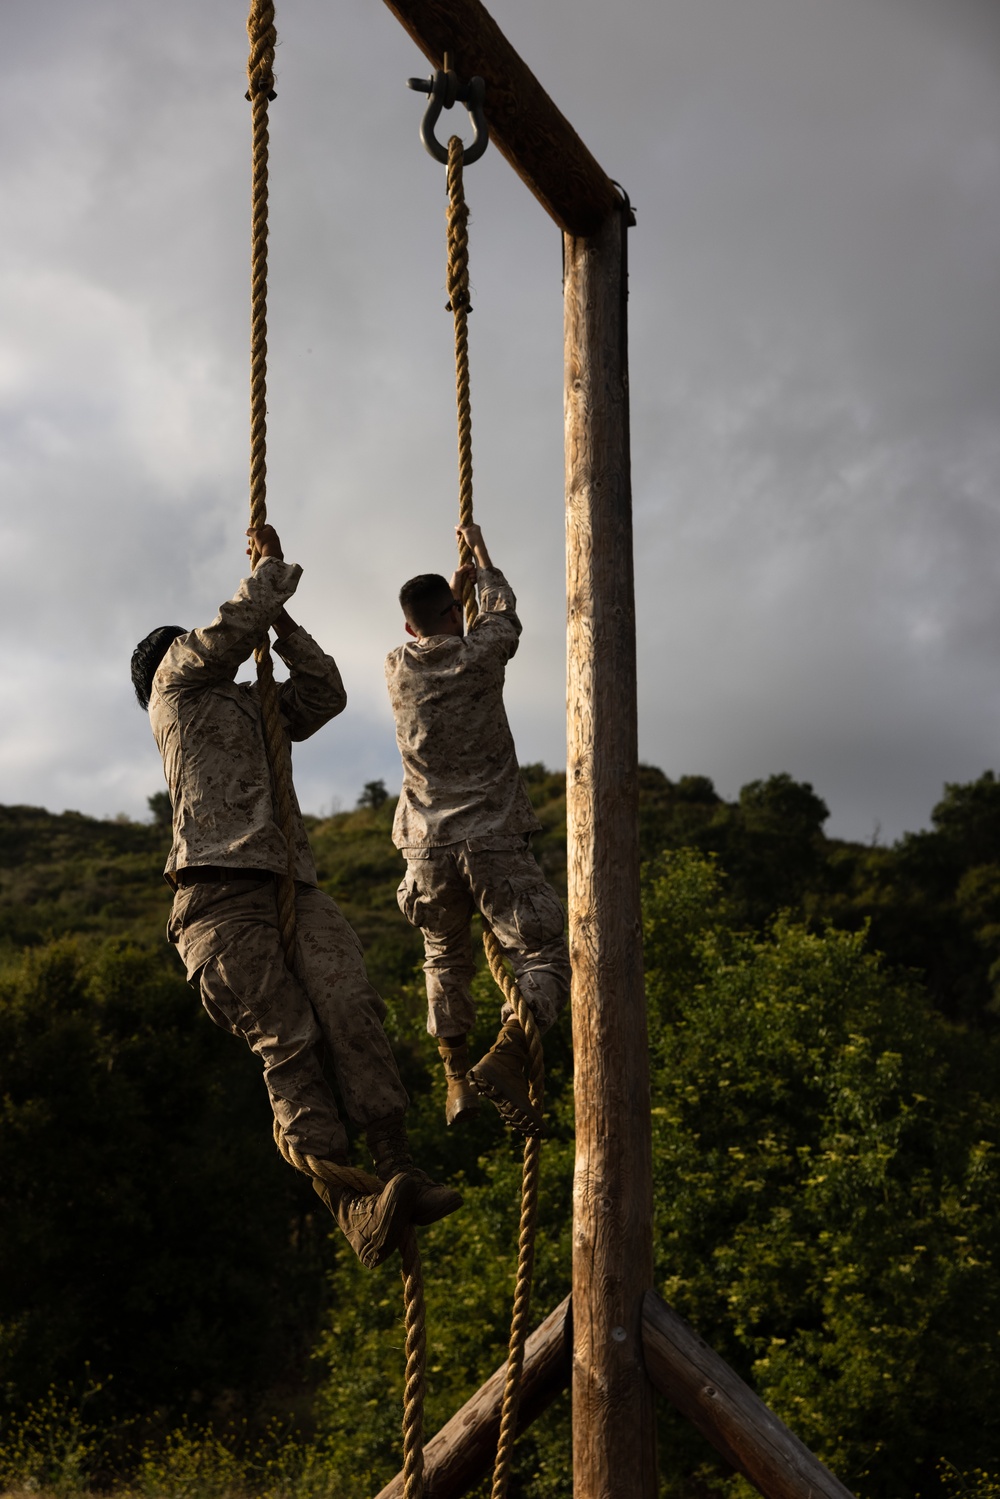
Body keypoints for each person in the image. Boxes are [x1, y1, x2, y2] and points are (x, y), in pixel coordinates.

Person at [131, 524, 460, 1269]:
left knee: (350, 1003)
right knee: (290, 1043)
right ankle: (348, 1200)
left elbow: (327, 692)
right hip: (217, 904)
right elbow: (226, 629)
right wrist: (268, 573)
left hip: (291, 885)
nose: (205, 648)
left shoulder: (252, 709)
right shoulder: (174, 684)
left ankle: (396, 1160)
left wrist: (280, 623)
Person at [385, 522, 571, 1135]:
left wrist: (452, 598)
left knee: (443, 956)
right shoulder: (480, 651)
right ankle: (509, 1054)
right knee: (546, 953)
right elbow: (504, 615)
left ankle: (456, 1079)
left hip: (427, 850)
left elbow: (434, 633)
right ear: (455, 613)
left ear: (409, 628)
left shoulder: (396, 667)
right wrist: (481, 560)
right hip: (491, 838)